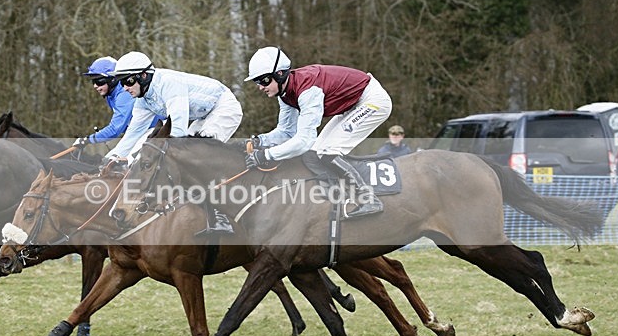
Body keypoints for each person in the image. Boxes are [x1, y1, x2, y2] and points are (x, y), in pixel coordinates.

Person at [243, 46, 392, 216]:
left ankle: (369, 199)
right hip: (353, 105)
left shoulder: (308, 91)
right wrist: (260, 141)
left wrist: (266, 155)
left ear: (280, 74)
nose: (261, 87)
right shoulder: (285, 94)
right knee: (314, 154)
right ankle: (337, 197)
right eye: (257, 82)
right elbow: (287, 132)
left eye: (264, 81)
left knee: (328, 152)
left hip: (372, 101)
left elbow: (303, 141)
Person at [108, 51, 243, 235]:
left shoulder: (168, 84)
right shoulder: (143, 99)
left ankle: (222, 217)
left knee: (195, 158)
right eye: (121, 82)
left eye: (128, 81)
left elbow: (177, 134)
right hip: (205, 115)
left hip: (223, 107)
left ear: (144, 76)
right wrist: (112, 157)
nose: (124, 87)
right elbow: (133, 133)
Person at [71, 56, 158, 150]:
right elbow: (124, 126)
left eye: (98, 81)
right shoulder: (111, 95)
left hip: (154, 131)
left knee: (112, 161)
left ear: (112, 79)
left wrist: (88, 139)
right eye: (93, 82)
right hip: (142, 132)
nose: (95, 86)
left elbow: (115, 129)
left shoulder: (124, 95)